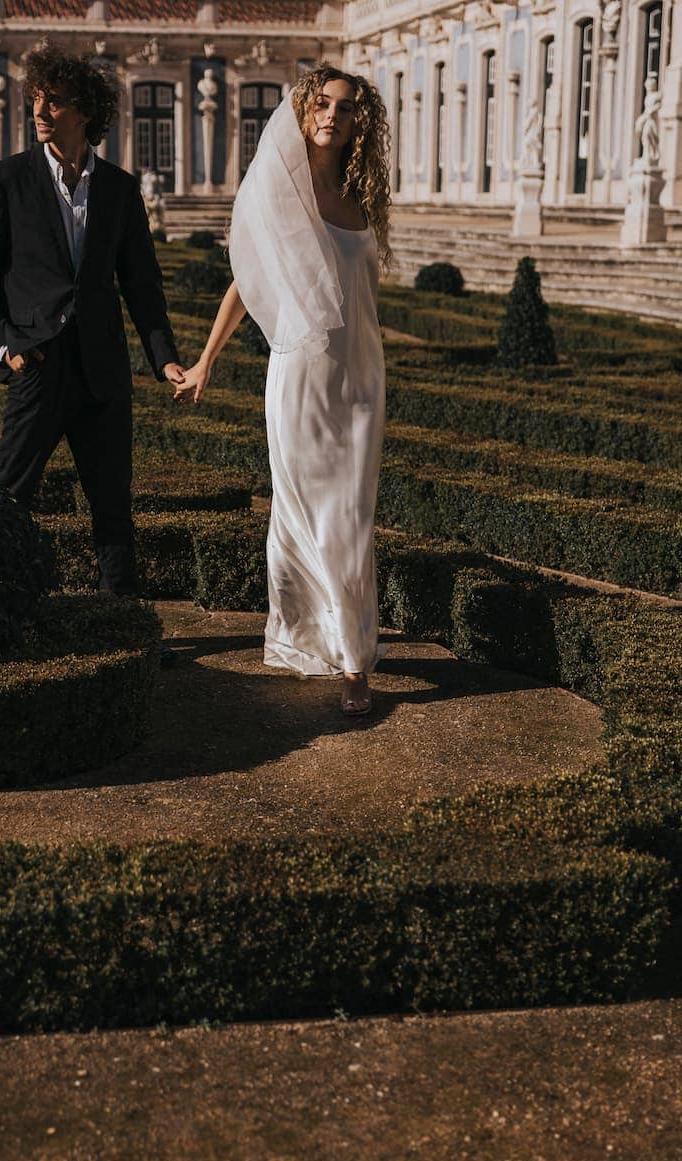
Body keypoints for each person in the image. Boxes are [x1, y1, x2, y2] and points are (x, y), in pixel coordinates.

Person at [174, 66, 391, 715]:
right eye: (321, 104)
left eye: (345, 108)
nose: (332, 115)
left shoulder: (362, 192)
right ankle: (347, 659)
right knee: (309, 512)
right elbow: (245, 280)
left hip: (360, 373)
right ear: (303, 113)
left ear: (360, 121)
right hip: (301, 371)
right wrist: (206, 360)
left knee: (351, 514)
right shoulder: (282, 190)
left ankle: (339, 642)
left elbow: (363, 296)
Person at [0, 44, 184, 595]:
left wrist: (166, 359)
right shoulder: (7, 180)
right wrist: (5, 345)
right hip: (37, 366)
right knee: (10, 498)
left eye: (53, 101)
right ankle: (0, 610)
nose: (39, 111)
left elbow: (141, 284)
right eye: (35, 100)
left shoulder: (120, 189)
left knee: (113, 507)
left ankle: (126, 624)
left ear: (84, 112)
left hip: (104, 371)